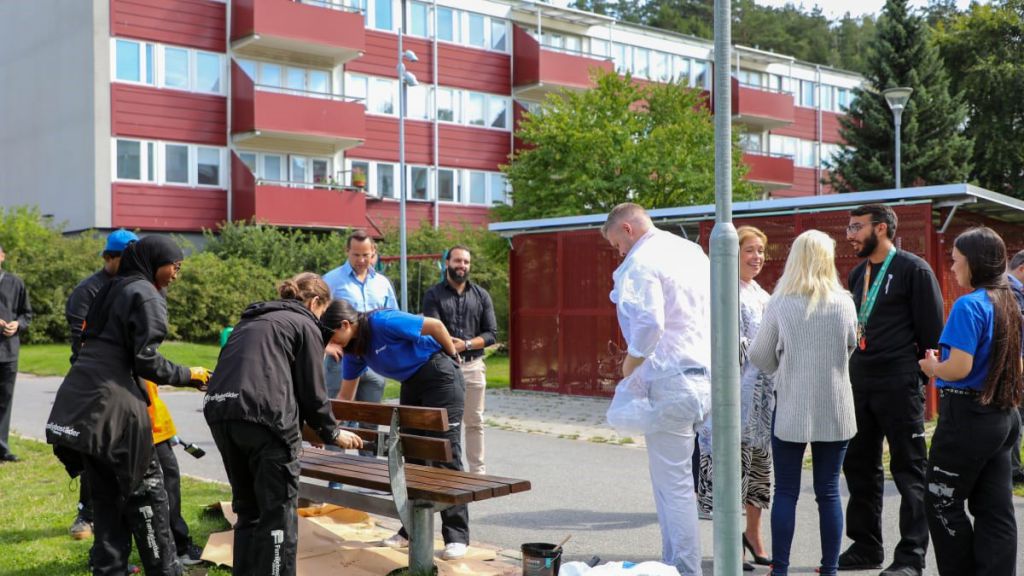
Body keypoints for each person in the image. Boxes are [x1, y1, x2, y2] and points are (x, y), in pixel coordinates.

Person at [45, 236, 212, 576]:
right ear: (155, 262)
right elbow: (146, 361)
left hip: (80, 403)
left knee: (106, 502)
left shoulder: (108, 289)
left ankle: (109, 569)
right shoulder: (146, 293)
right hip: (116, 410)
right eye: (175, 267)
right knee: (149, 496)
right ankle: (165, 571)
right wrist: (188, 375)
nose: (176, 275)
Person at [203, 272, 363, 576]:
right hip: (265, 420)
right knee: (277, 515)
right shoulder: (304, 324)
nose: (320, 318)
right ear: (315, 302)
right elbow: (312, 391)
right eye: (322, 310)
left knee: (248, 511)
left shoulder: (250, 321)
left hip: (221, 412)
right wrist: (332, 432)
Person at [601, 203, 710, 576]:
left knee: (674, 483)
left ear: (628, 229)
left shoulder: (641, 261)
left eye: (617, 244)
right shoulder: (689, 251)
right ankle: (674, 563)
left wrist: (630, 364)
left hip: (670, 379)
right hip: (706, 376)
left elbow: (649, 322)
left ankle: (683, 568)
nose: (619, 252)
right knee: (681, 480)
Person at [839, 204, 942, 576]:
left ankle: (911, 557)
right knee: (859, 467)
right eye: (849, 227)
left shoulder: (913, 270)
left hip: (899, 386)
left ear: (881, 228)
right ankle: (865, 546)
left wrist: (915, 380)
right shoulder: (855, 274)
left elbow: (932, 335)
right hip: (859, 384)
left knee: (909, 470)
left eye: (856, 227)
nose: (849, 235)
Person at [748, 229, 858, 576]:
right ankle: (829, 569)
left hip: (792, 406)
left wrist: (785, 363)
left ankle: (779, 568)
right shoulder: (845, 302)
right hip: (836, 408)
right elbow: (851, 347)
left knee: (786, 492)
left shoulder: (781, 302)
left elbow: (761, 356)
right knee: (828, 491)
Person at [917, 226, 1022, 575]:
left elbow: (958, 368)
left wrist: (933, 367)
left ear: (974, 263)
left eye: (956, 260)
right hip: (1004, 415)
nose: (952, 267)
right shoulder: (1011, 301)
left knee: (941, 501)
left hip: (967, 416)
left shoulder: (969, 305)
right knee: (995, 508)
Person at [331, 299, 469, 560]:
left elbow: (436, 326)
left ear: (345, 325)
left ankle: (457, 536)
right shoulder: (354, 350)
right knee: (414, 456)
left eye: (332, 336)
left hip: (438, 374)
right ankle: (410, 530)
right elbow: (345, 398)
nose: (332, 343)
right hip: (412, 384)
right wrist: (327, 429)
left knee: (445, 457)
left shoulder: (383, 321)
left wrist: (452, 356)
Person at [696, 226, 775, 570]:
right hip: (730, 397)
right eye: (749, 251)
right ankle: (729, 545)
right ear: (732, 255)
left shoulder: (761, 293)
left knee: (758, 470)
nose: (756, 258)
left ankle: (754, 536)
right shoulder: (721, 291)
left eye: (760, 251)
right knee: (730, 471)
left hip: (761, 399)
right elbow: (724, 343)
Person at [64, 228, 138, 540]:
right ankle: (87, 514)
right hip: (94, 380)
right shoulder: (88, 291)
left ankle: (128, 512)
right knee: (95, 447)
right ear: (110, 257)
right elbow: (82, 342)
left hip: (129, 379)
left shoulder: (134, 286)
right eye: (127, 258)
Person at [422, 245, 497, 475]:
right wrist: (450, 346)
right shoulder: (433, 295)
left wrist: (464, 344)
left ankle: (478, 473)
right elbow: (431, 330)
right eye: (457, 261)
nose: (461, 266)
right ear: (447, 263)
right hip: (444, 368)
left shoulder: (481, 296)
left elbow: (491, 334)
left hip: (473, 366)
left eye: (465, 262)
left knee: (474, 422)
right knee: (443, 423)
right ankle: (445, 472)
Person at [322, 231, 396, 456]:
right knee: (337, 416)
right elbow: (314, 318)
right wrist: (327, 345)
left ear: (374, 252)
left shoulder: (382, 283)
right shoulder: (331, 280)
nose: (361, 260)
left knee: (370, 421)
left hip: (374, 362)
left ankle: (368, 471)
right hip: (341, 361)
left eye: (366, 254)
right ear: (347, 252)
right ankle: (335, 476)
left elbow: (393, 316)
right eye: (356, 255)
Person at [0, 244, 32, 465]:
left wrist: (17, 324)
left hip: (9, 351)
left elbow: (27, 313)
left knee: (5, 401)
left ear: (2, 256)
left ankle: (2, 449)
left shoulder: (16, 283)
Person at [1007, 248, 1024, 485]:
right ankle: (1011, 470)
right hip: (1016, 366)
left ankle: (1013, 468)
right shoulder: (1011, 291)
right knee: (1015, 418)